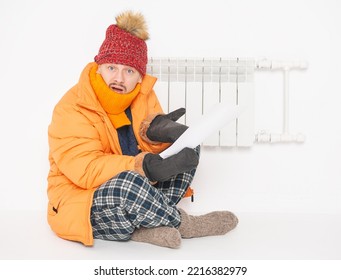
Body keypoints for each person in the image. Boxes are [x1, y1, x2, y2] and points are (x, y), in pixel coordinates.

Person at [47, 10, 238, 249]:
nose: (119, 78)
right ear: (99, 68)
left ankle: (147, 225)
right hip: (83, 204)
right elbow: (85, 169)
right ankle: (184, 224)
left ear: (139, 77)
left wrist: (160, 131)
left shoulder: (140, 95)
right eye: (111, 68)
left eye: (129, 71)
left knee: (190, 143)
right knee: (130, 182)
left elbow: (151, 146)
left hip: (133, 202)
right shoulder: (72, 107)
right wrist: (143, 166)